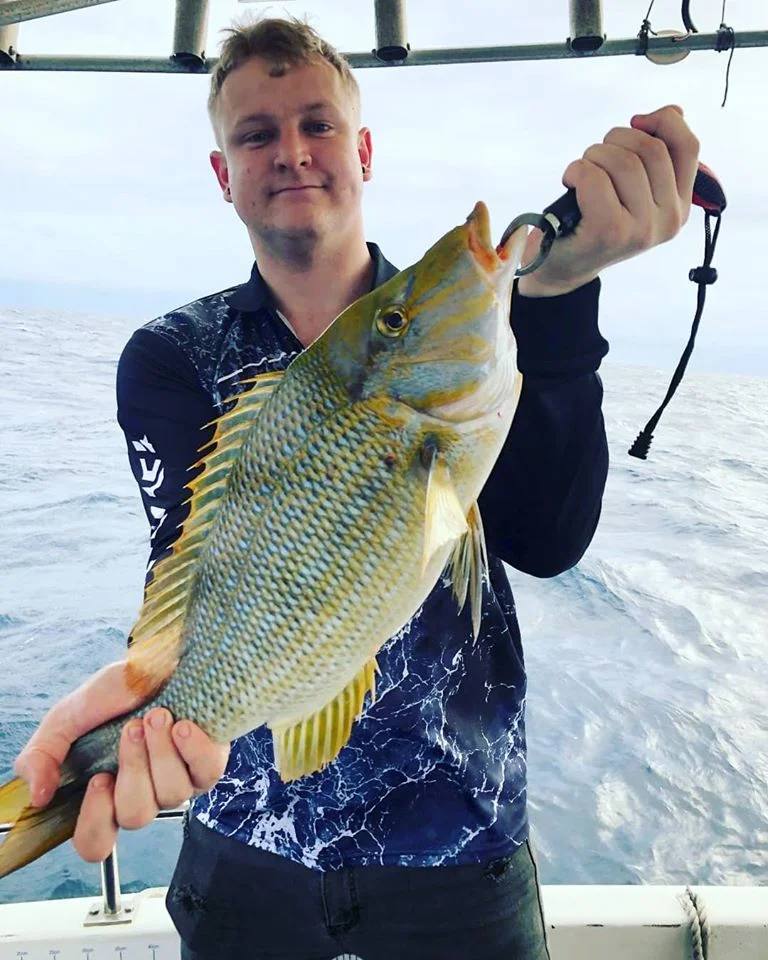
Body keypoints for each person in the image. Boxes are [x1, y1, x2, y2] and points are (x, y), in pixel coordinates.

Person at [13, 15, 700, 960]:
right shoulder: (170, 355)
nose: (292, 151)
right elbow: (194, 567)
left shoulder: (468, 345)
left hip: (460, 840)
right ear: (224, 172)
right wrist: (148, 698)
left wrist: (558, 303)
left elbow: (546, 541)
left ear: (363, 151)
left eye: (318, 124)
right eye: (257, 133)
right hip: (245, 843)